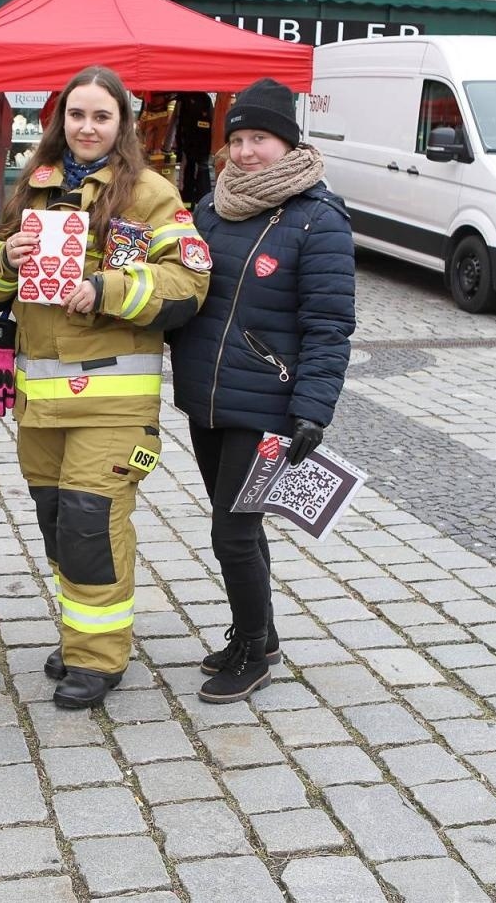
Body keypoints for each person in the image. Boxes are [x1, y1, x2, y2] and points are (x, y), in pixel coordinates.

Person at [0, 66, 211, 709]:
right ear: (61, 121)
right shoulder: (34, 187)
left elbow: (190, 283)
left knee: (91, 522)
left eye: (101, 117)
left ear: (122, 125)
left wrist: (108, 288)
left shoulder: (152, 195)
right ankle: (81, 629)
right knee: (58, 525)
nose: (87, 127)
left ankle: (98, 656)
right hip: (40, 402)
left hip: (111, 399)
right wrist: (6, 261)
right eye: (76, 115)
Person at [170, 78, 355, 703]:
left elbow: (329, 323)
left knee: (232, 533)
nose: (246, 152)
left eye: (262, 139)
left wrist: (312, 410)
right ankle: (263, 632)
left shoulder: (317, 220)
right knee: (241, 529)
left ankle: (252, 649)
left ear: (289, 143)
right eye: (239, 138)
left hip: (267, 406)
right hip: (207, 398)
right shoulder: (209, 206)